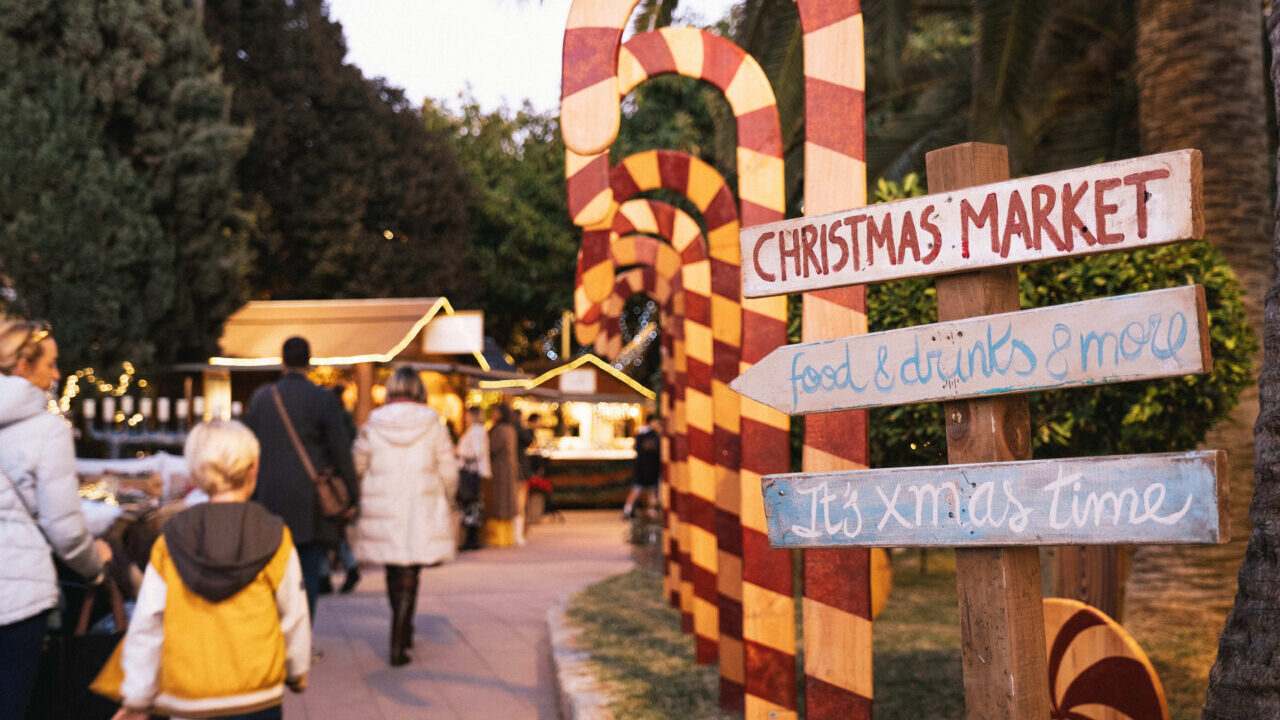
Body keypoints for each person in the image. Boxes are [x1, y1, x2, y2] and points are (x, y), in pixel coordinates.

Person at [109, 420, 310, 720]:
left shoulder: (170, 540)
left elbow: (148, 623)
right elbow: (293, 612)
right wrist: (296, 669)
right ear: (254, 467)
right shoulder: (275, 536)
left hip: (189, 697)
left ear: (194, 473)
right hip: (257, 695)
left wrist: (138, 696)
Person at [0, 319, 110, 719]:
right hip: (17, 601)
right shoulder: (48, 430)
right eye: (51, 363)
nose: (57, 374)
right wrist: (95, 566)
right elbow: (65, 530)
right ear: (24, 366)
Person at [243, 336, 358, 627]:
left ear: (282, 361)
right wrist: (352, 496)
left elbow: (246, 447)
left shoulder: (261, 399)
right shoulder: (322, 399)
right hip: (310, 499)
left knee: (272, 568)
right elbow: (341, 451)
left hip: (268, 496)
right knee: (308, 569)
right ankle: (301, 637)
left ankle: (274, 635)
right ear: (309, 361)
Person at [351, 367, 457, 667]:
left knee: (393, 569)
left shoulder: (374, 422)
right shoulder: (433, 423)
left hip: (384, 504)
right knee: (412, 570)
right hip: (420, 504)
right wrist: (449, 496)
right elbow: (448, 469)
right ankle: (401, 637)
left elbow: (357, 463)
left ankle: (401, 630)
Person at [454, 406, 490, 550]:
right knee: (473, 504)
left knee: (471, 503)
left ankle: (471, 539)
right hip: (474, 472)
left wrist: (458, 452)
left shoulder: (476, 431)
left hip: (470, 473)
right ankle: (471, 538)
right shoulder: (478, 430)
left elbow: (476, 452)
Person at [486, 403, 520, 546]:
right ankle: (507, 537)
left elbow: (492, 448)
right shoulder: (511, 429)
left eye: (495, 412)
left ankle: (498, 538)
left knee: (499, 503)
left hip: (500, 471)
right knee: (507, 502)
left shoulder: (499, 430)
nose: (493, 415)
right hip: (509, 471)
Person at [623, 414, 663, 519]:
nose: (657, 424)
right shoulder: (652, 436)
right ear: (651, 422)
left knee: (648, 490)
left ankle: (631, 510)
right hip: (648, 468)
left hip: (645, 468)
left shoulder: (643, 435)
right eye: (656, 422)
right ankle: (631, 510)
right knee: (646, 490)